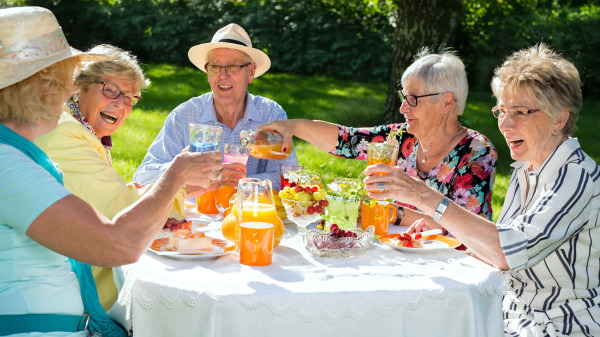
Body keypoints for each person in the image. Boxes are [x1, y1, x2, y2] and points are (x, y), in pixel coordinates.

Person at [0, 7, 222, 336]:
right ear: (37, 88)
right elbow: (119, 244)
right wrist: (176, 176)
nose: (68, 91)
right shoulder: (10, 165)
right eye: (64, 80)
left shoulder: (16, 156)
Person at [365, 43, 599, 336]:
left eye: (520, 112)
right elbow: (493, 250)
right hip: (508, 314)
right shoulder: (527, 170)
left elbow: (508, 254)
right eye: (501, 110)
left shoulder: (575, 176)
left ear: (559, 119)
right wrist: (437, 232)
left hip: (556, 326)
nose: (505, 124)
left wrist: (423, 196)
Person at [260, 48, 497, 228]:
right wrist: (292, 126)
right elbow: (346, 140)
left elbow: (468, 229)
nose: (403, 108)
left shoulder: (476, 152)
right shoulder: (400, 138)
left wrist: (394, 213)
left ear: (447, 101)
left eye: (413, 99)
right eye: (403, 97)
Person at [35, 44, 175, 311]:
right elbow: (121, 212)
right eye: (110, 90)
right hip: (80, 288)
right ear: (80, 86)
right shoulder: (66, 133)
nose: (120, 104)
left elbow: (106, 195)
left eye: (129, 97)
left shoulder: (78, 127)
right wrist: (178, 183)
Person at [133, 23, 298, 192]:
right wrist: (182, 170)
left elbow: (289, 176)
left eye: (233, 66)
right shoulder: (185, 115)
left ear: (251, 72)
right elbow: (142, 178)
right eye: (215, 66)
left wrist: (241, 182)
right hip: (196, 216)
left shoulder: (271, 114)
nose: (222, 75)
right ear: (207, 72)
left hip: (251, 215)